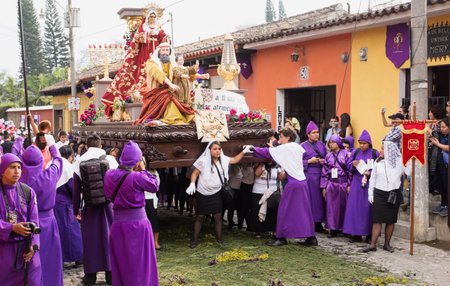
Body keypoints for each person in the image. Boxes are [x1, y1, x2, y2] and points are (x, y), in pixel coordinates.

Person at [248, 127, 318, 246]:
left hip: (293, 183)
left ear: (288, 137)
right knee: (304, 211)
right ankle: (311, 238)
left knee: (283, 210)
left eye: (281, 137)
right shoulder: (297, 147)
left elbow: (267, 153)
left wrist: (251, 149)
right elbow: (277, 152)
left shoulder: (286, 147)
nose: (280, 139)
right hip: (302, 182)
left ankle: (281, 238)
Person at [104, 141, 159, 286]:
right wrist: (143, 169)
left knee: (122, 263)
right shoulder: (137, 177)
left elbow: (109, 194)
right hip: (138, 226)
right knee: (140, 265)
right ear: (137, 160)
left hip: (118, 224)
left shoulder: (109, 175)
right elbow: (154, 185)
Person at [101, 8, 168, 116]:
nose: (152, 18)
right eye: (151, 16)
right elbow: (137, 37)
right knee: (143, 73)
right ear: (147, 17)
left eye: (154, 17)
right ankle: (142, 91)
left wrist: (164, 37)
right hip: (145, 53)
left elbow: (163, 38)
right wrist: (147, 34)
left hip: (156, 52)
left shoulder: (158, 28)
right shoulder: (143, 27)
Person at [72, 134, 117, 285]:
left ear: (86, 146)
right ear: (100, 146)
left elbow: (76, 188)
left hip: (89, 206)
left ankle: (90, 276)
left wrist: (75, 209)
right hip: (108, 206)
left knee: (90, 241)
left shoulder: (79, 161)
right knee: (109, 238)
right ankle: (110, 275)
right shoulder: (109, 159)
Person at [186, 141, 249, 248]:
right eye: (215, 149)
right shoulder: (203, 161)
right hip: (203, 193)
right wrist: (192, 183)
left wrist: (244, 152)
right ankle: (194, 241)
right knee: (200, 217)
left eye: (219, 149)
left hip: (216, 193)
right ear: (209, 150)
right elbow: (195, 173)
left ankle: (219, 239)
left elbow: (234, 160)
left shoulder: (223, 159)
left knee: (218, 217)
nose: (217, 151)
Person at [20, 135, 64, 286]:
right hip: (47, 224)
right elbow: (58, 161)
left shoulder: (17, 180)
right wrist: (52, 146)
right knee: (50, 261)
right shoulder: (49, 176)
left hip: (25, 226)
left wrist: (20, 143)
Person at [0, 153, 41, 286]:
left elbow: (35, 222)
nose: (17, 171)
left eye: (19, 167)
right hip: (4, 253)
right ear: (2, 170)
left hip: (26, 253)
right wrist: (11, 228)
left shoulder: (28, 191)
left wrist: (33, 246)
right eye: (12, 167)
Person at [363, 141, 412, 253]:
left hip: (393, 194)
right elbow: (373, 179)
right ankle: (372, 245)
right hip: (379, 193)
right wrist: (370, 193)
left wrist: (410, 161)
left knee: (390, 220)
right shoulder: (377, 162)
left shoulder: (399, 162)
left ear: (390, 151)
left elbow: (409, 173)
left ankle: (387, 244)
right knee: (377, 220)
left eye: (383, 149)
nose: (380, 151)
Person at [133, 41, 196, 125]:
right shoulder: (151, 62)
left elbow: (179, 73)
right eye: (163, 50)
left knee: (181, 101)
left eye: (167, 50)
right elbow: (158, 74)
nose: (165, 52)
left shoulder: (171, 64)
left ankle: (189, 118)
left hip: (169, 90)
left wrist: (198, 76)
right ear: (159, 52)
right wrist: (170, 84)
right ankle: (174, 119)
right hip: (155, 91)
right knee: (169, 99)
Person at [343, 130, 379, 243]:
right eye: (360, 143)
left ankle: (369, 234)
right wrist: (352, 164)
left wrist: (371, 173)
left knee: (368, 209)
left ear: (369, 143)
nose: (362, 145)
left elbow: (379, 169)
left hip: (369, 183)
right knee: (355, 208)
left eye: (364, 143)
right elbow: (348, 166)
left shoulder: (375, 153)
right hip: (357, 183)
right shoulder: (355, 152)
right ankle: (356, 233)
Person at [54, 145, 83, 266]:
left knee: (59, 231)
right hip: (65, 203)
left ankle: (60, 257)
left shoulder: (55, 164)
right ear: (70, 156)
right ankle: (77, 257)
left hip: (55, 202)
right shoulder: (67, 167)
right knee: (71, 231)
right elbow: (73, 187)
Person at [320, 134, 352, 237]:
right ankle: (333, 229)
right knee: (331, 207)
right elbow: (324, 172)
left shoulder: (346, 154)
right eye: (330, 143)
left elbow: (350, 171)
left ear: (338, 143)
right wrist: (324, 187)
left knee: (344, 206)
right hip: (332, 183)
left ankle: (345, 229)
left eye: (333, 142)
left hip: (343, 183)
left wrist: (349, 184)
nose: (331, 144)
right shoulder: (328, 156)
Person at [301, 121, 327, 234]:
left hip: (321, 176)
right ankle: (308, 224)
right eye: (314, 132)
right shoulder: (302, 146)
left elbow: (328, 158)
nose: (316, 134)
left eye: (317, 132)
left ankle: (319, 224)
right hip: (309, 177)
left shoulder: (321, 145)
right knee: (310, 201)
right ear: (308, 134)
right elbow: (297, 162)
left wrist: (324, 161)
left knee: (320, 201)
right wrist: (308, 161)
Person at [247, 161, 282, 239]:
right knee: (257, 211)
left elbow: (280, 177)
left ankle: (274, 231)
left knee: (272, 212)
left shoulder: (277, 165)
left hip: (272, 192)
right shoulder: (258, 163)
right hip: (258, 191)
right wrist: (261, 163)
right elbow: (257, 174)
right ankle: (258, 231)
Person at [430, 118, 449, 217]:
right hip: (439, 164)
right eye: (441, 127)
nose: (442, 129)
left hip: (447, 165)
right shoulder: (441, 135)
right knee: (441, 185)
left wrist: (438, 144)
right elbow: (433, 133)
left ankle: (447, 206)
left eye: (444, 127)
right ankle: (443, 204)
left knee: (447, 186)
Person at [428, 105, 445, 197]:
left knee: (436, 168)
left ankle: (437, 188)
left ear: (435, 113)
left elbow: (436, 135)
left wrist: (429, 130)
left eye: (430, 112)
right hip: (430, 149)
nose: (429, 114)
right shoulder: (432, 123)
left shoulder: (440, 123)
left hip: (437, 149)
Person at [145, 168, 163, 250]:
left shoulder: (153, 172)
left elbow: (157, 185)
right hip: (140, 198)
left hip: (150, 198)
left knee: (153, 221)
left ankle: (155, 242)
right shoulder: (134, 172)